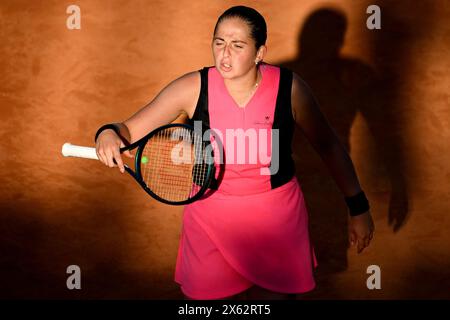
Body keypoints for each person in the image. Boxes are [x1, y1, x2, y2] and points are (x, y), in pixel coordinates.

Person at [95, 6, 375, 300]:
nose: (225, 54)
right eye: (219, 42)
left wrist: (358, 207)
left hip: (276, 220)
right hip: (208, 217)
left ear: (259, 52)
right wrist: (107, 134)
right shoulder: (192, 87)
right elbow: (126, 129)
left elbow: (329, 146)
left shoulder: (289, 89)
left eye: (237, 45)